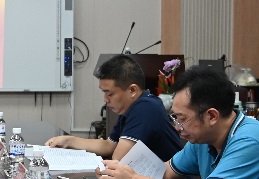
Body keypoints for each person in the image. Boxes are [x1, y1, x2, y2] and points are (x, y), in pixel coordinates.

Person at [97, 65, 259, 179]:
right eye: (175, 117)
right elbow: (164, 172)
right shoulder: (202, 138)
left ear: (211, 116)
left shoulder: (249, 140)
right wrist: (118, 173)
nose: (177, 127)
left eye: (182, 118)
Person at [45, 54, 182, 161]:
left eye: (109, 94)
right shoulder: (132, 108)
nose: (105, 99)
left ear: (132, 90)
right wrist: (68, 141)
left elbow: (118, 158)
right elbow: (108, 145)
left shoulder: (146, 107)